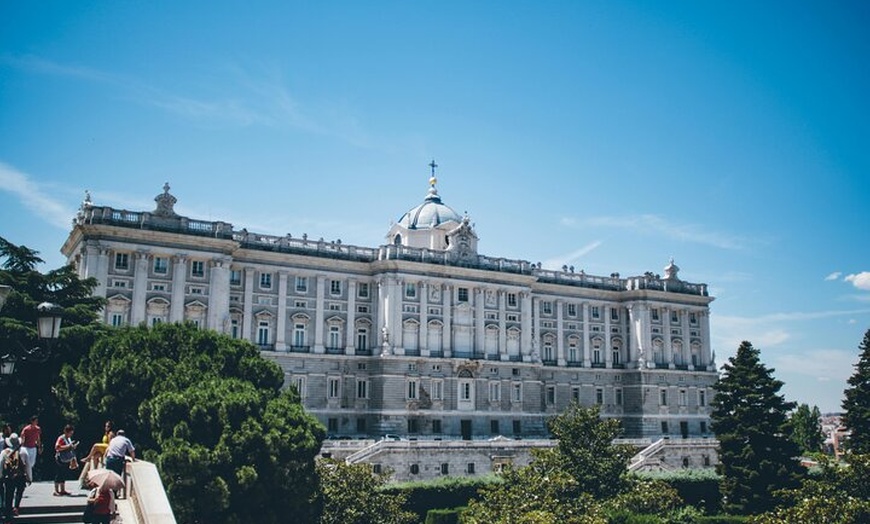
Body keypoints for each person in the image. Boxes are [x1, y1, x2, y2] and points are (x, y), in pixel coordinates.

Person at [0, 433, 31, 521]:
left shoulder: (4, 452)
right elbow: (28, 466)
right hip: (20, 476)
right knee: (19, 491)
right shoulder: (23, 451)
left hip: (9, 476)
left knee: (8, 494)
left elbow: (1, 464)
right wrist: (29, 478)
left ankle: (8, 514)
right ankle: (16, 507)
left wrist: (1, 475)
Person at [53, 425, 78, 496]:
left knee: (63, 474)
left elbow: (69, 447)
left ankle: (62, 489)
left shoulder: (69, 439)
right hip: (60, 458)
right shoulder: (61, 438)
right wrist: (68, 446)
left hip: (66, 458)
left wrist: (72, 446)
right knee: (59, 474)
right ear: (66, 432)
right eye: (70, 433)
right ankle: (56, 490)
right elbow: (57, 447)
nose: (71, 434)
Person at [19, 416, 41, 481]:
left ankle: (27, 474)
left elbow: (38, 438)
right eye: (35, 421)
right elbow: (22, 437)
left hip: (33, 448)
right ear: (32, 421)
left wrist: (39, 446)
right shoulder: (26, 429)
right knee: (26, 462)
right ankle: (26, 476)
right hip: (26, 447)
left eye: (37, 421)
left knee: (31, 463)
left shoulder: (38, 429)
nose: (37, 422)